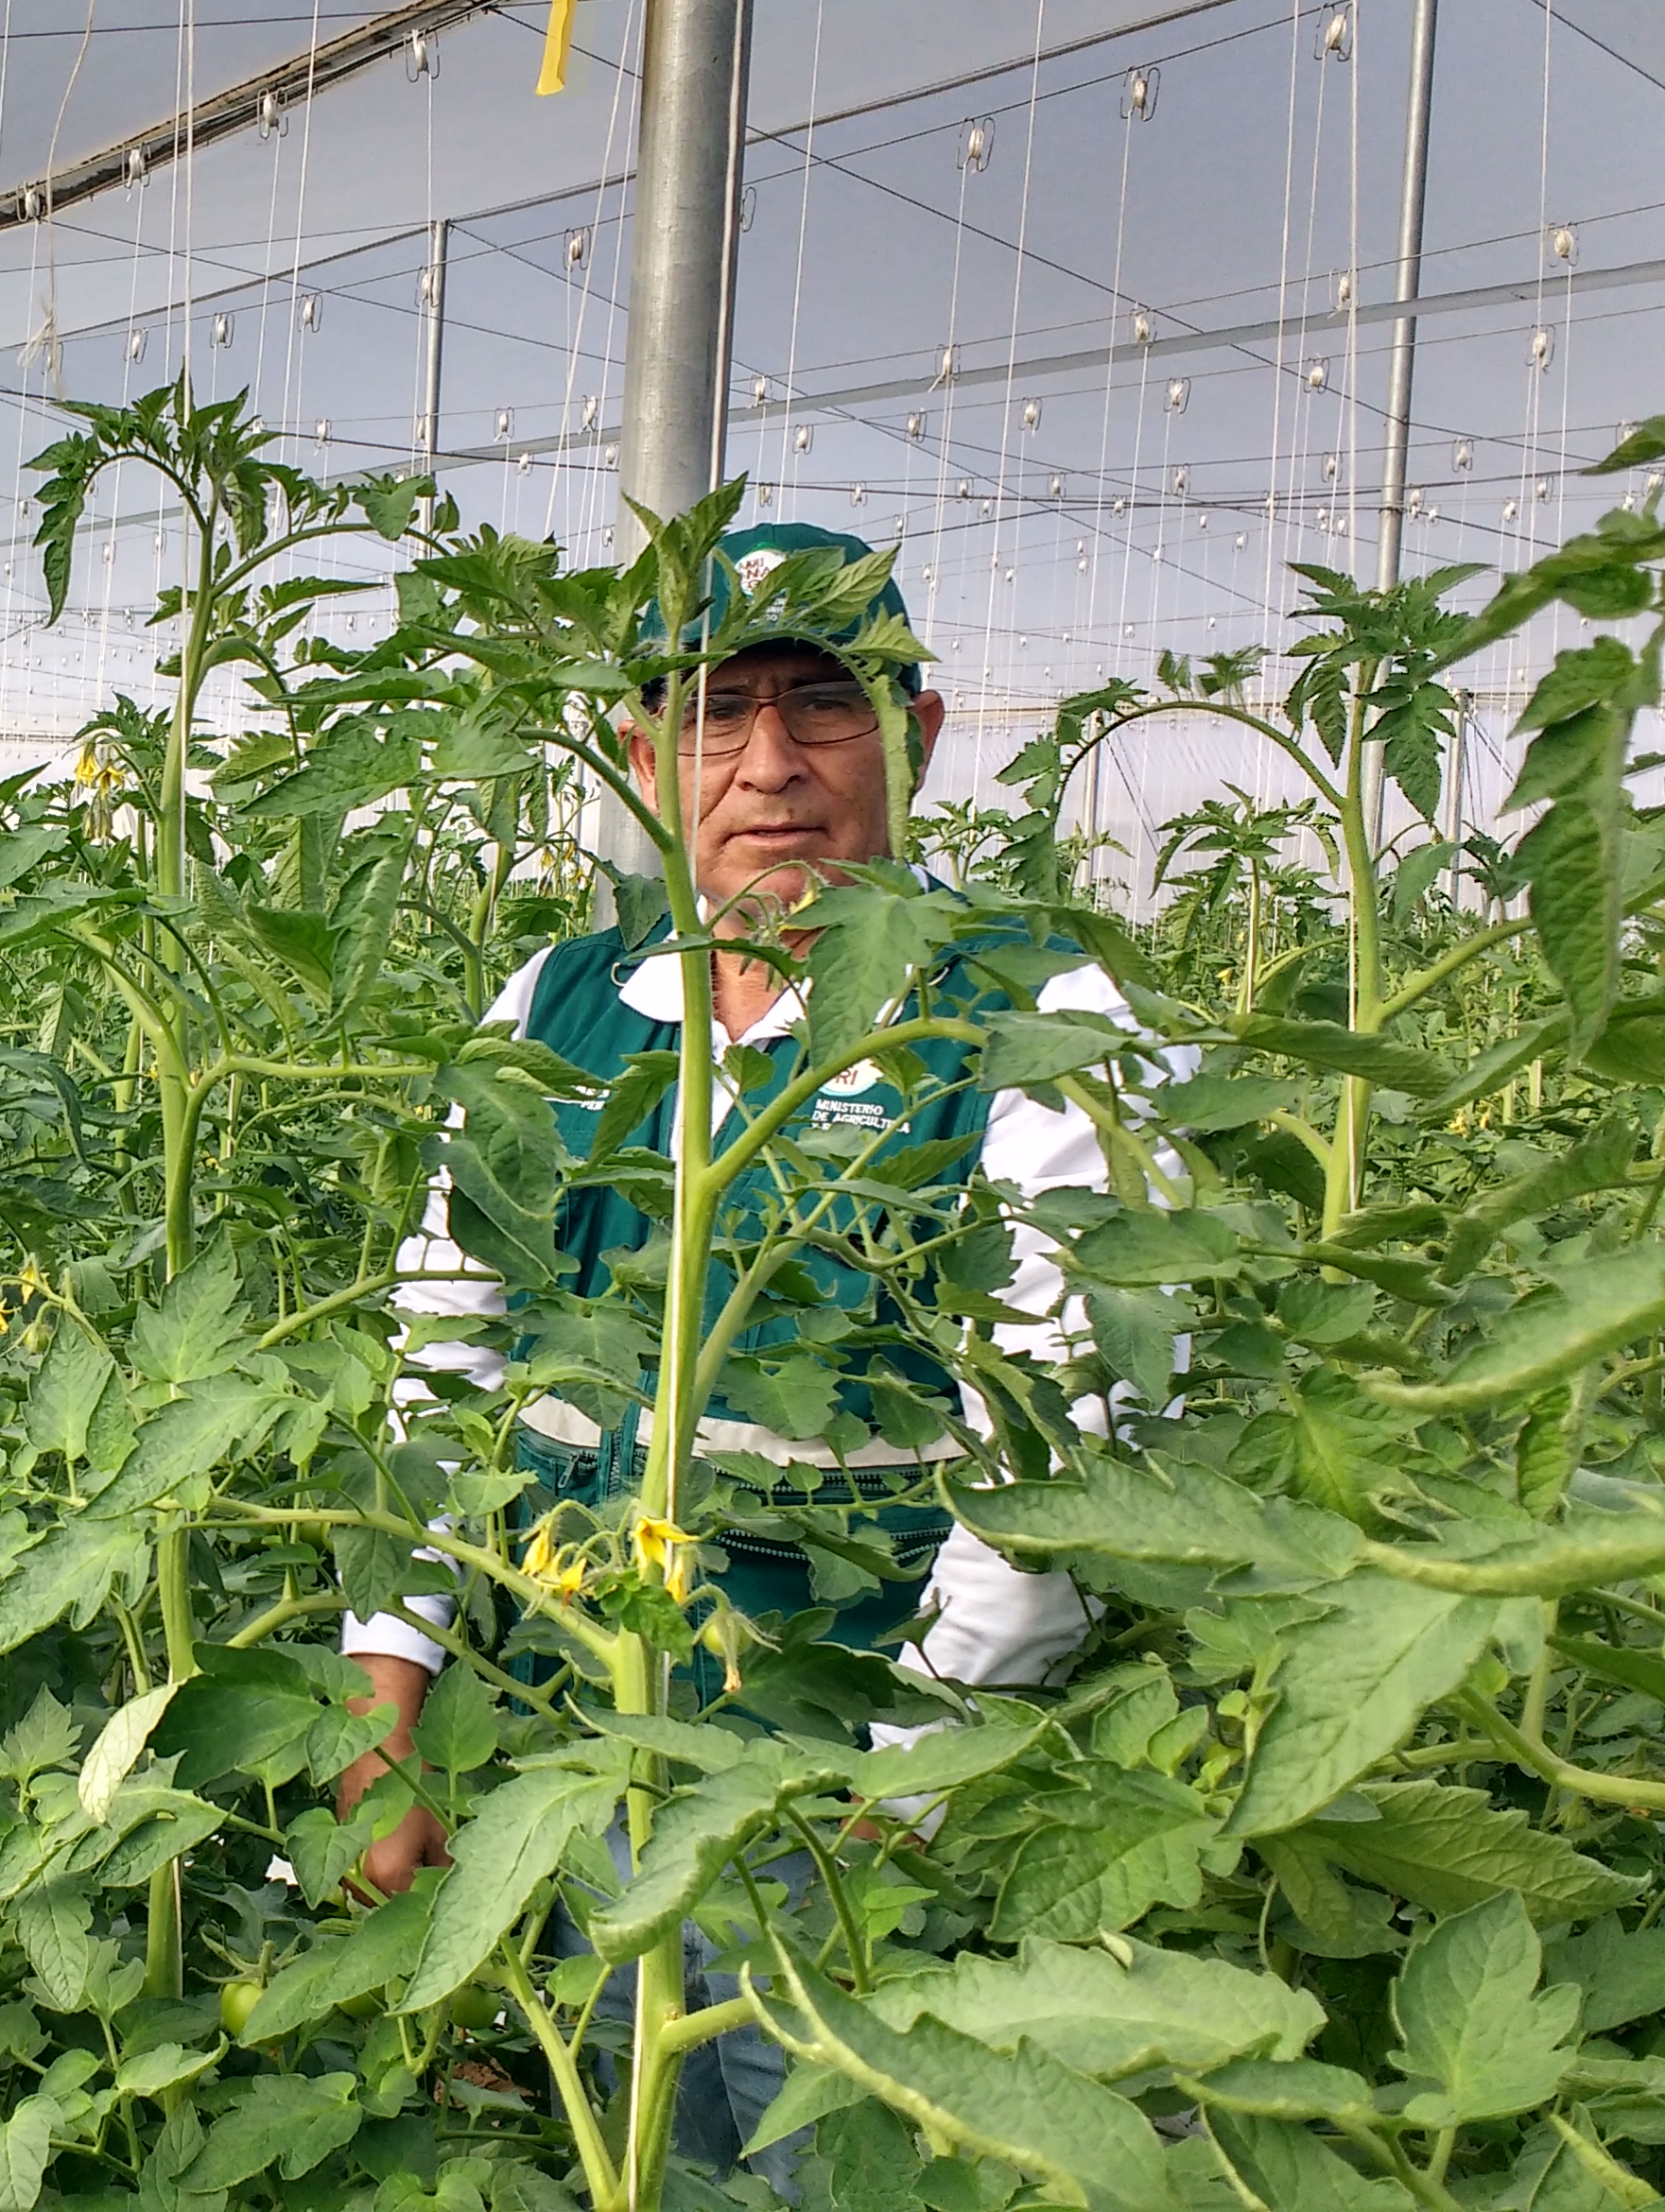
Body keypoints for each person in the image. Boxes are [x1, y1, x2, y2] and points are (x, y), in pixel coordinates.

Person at [331, 523, 1153, 2186]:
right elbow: (441, 1367)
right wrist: (392, 1701)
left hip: (849, 1810)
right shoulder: (558, 1005)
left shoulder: (1027, 1009)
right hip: (560, 1769)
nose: (768, 765)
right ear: (642, 760)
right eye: (713, 715)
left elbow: (1070, 1449)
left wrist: (902, 1808)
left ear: (917, 737)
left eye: (821, 705)